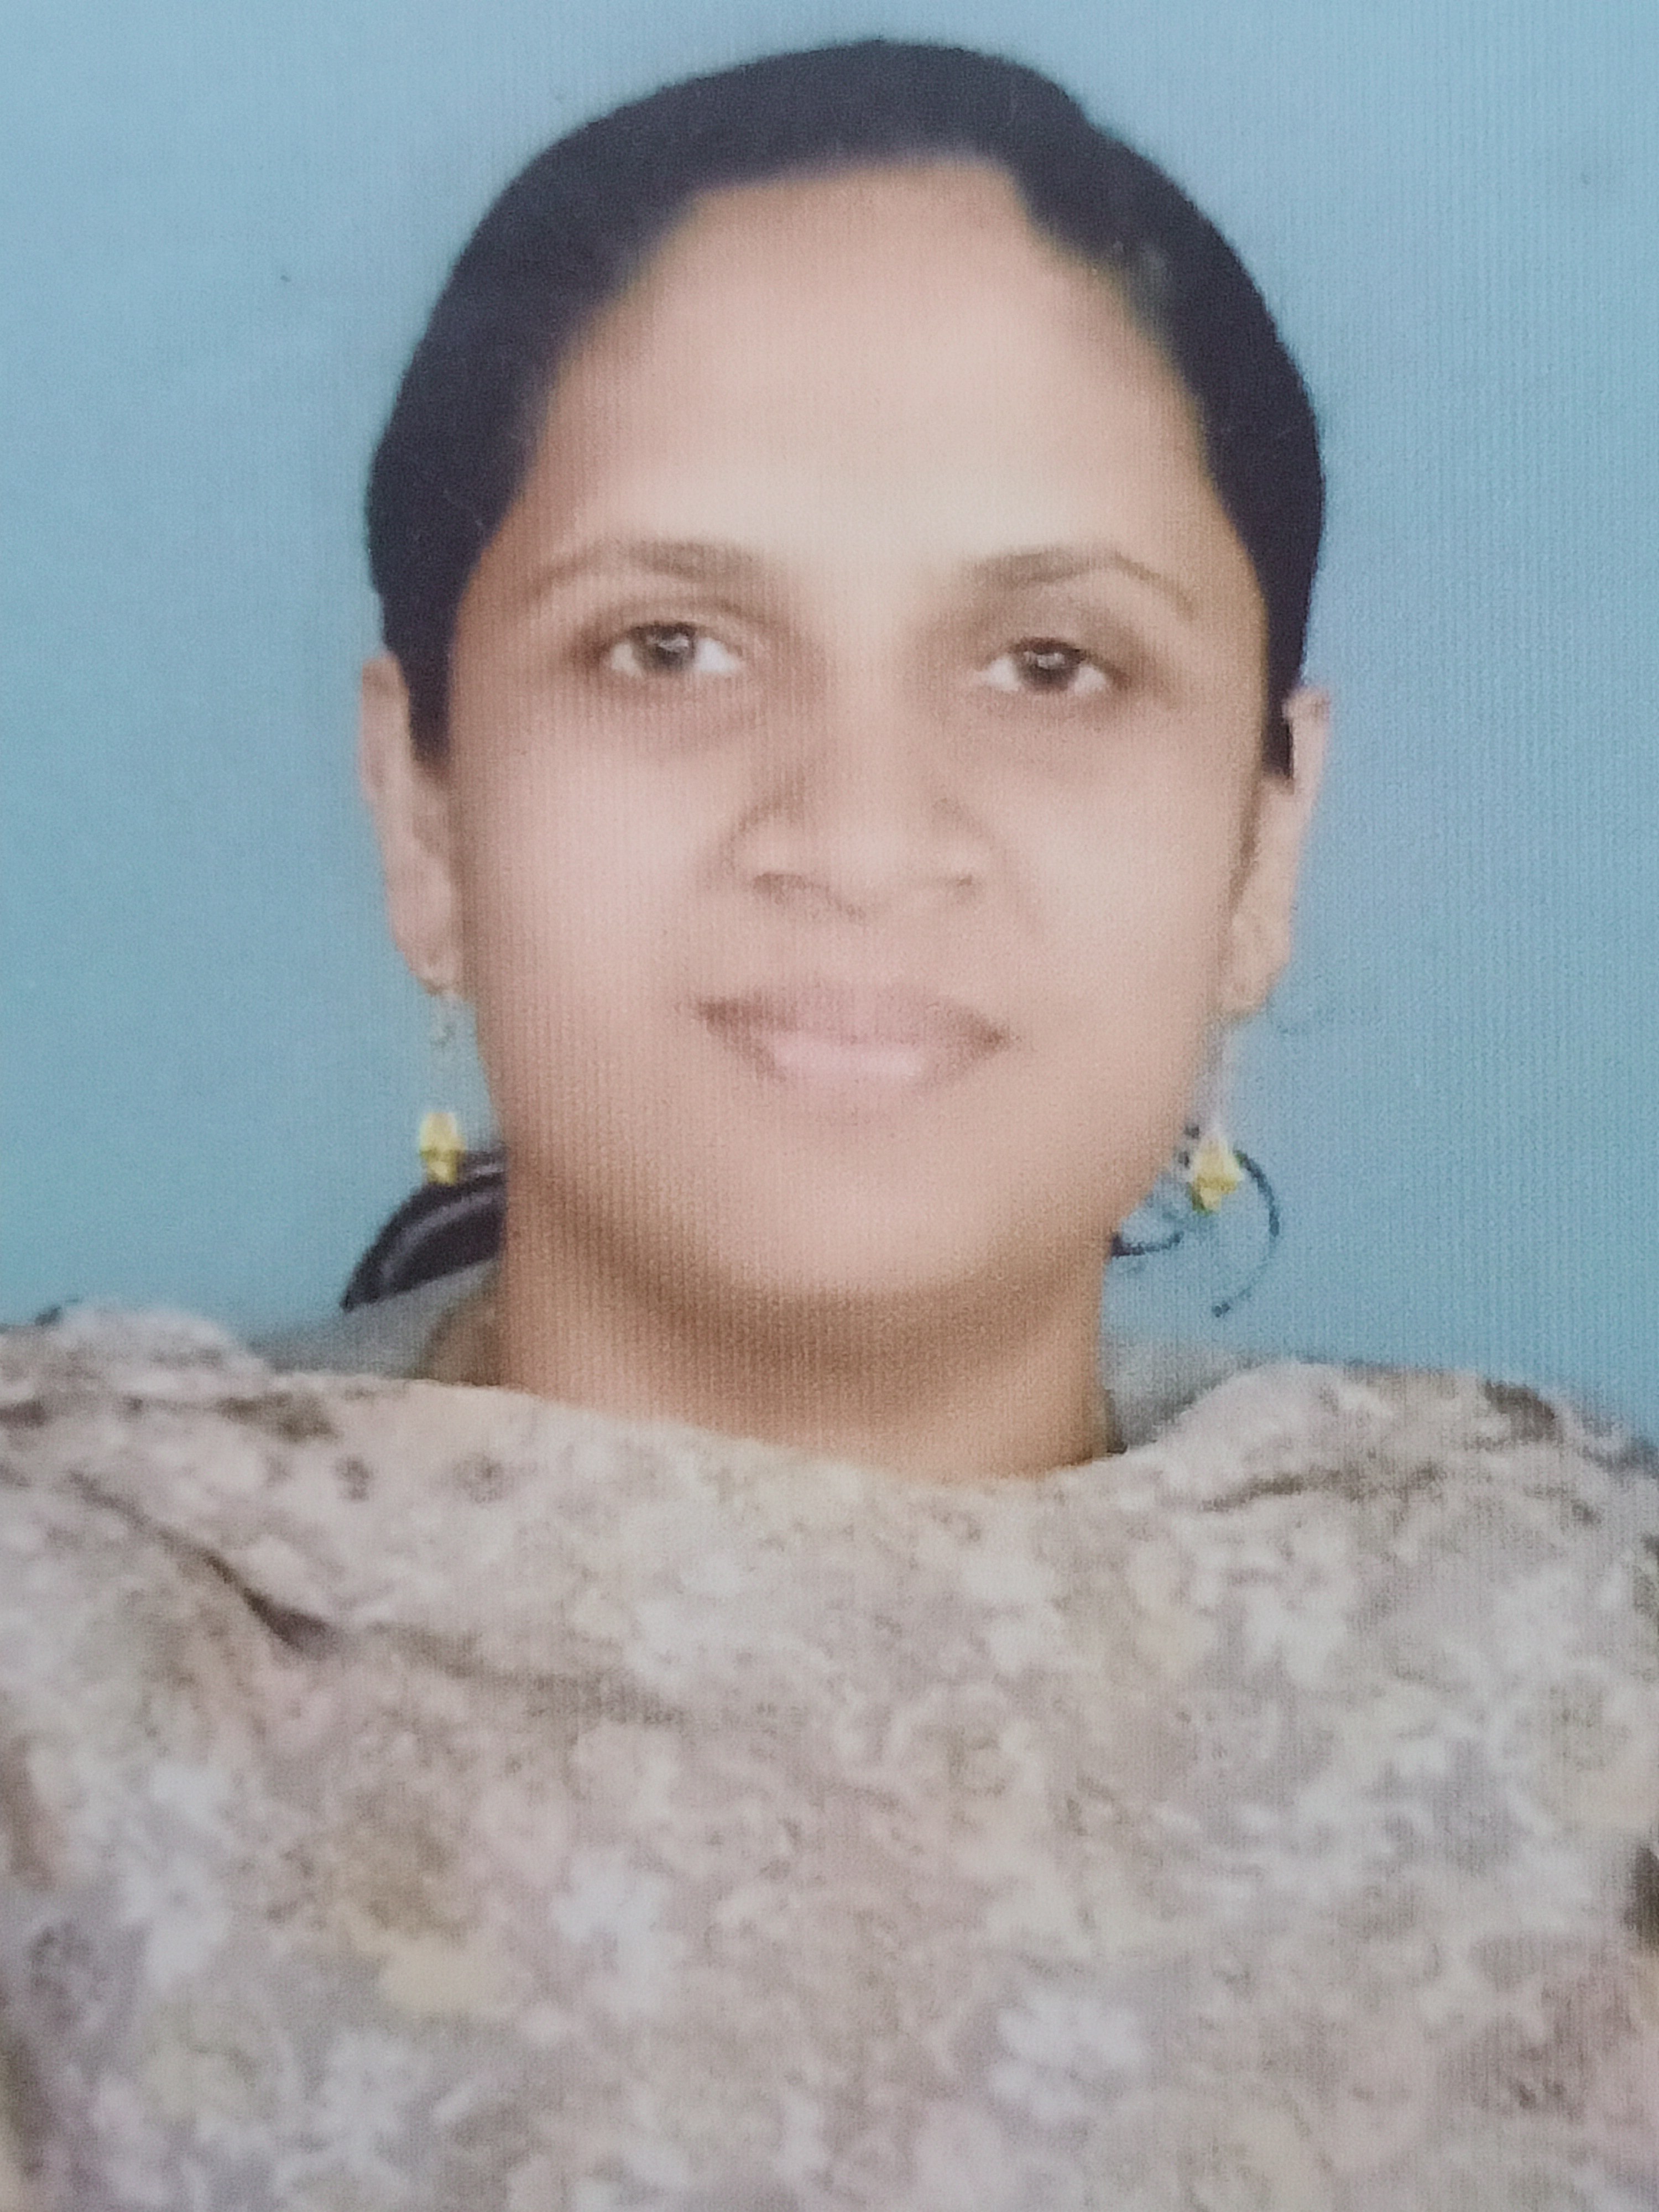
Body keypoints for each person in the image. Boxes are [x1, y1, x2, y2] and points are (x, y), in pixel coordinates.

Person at [0, 40, 1653, 2211]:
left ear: (1264, 844)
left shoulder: (1578, 1710)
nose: (863, 835)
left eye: (1050, 664)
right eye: (670, 647)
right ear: (425, 808)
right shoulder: (60, 1671)